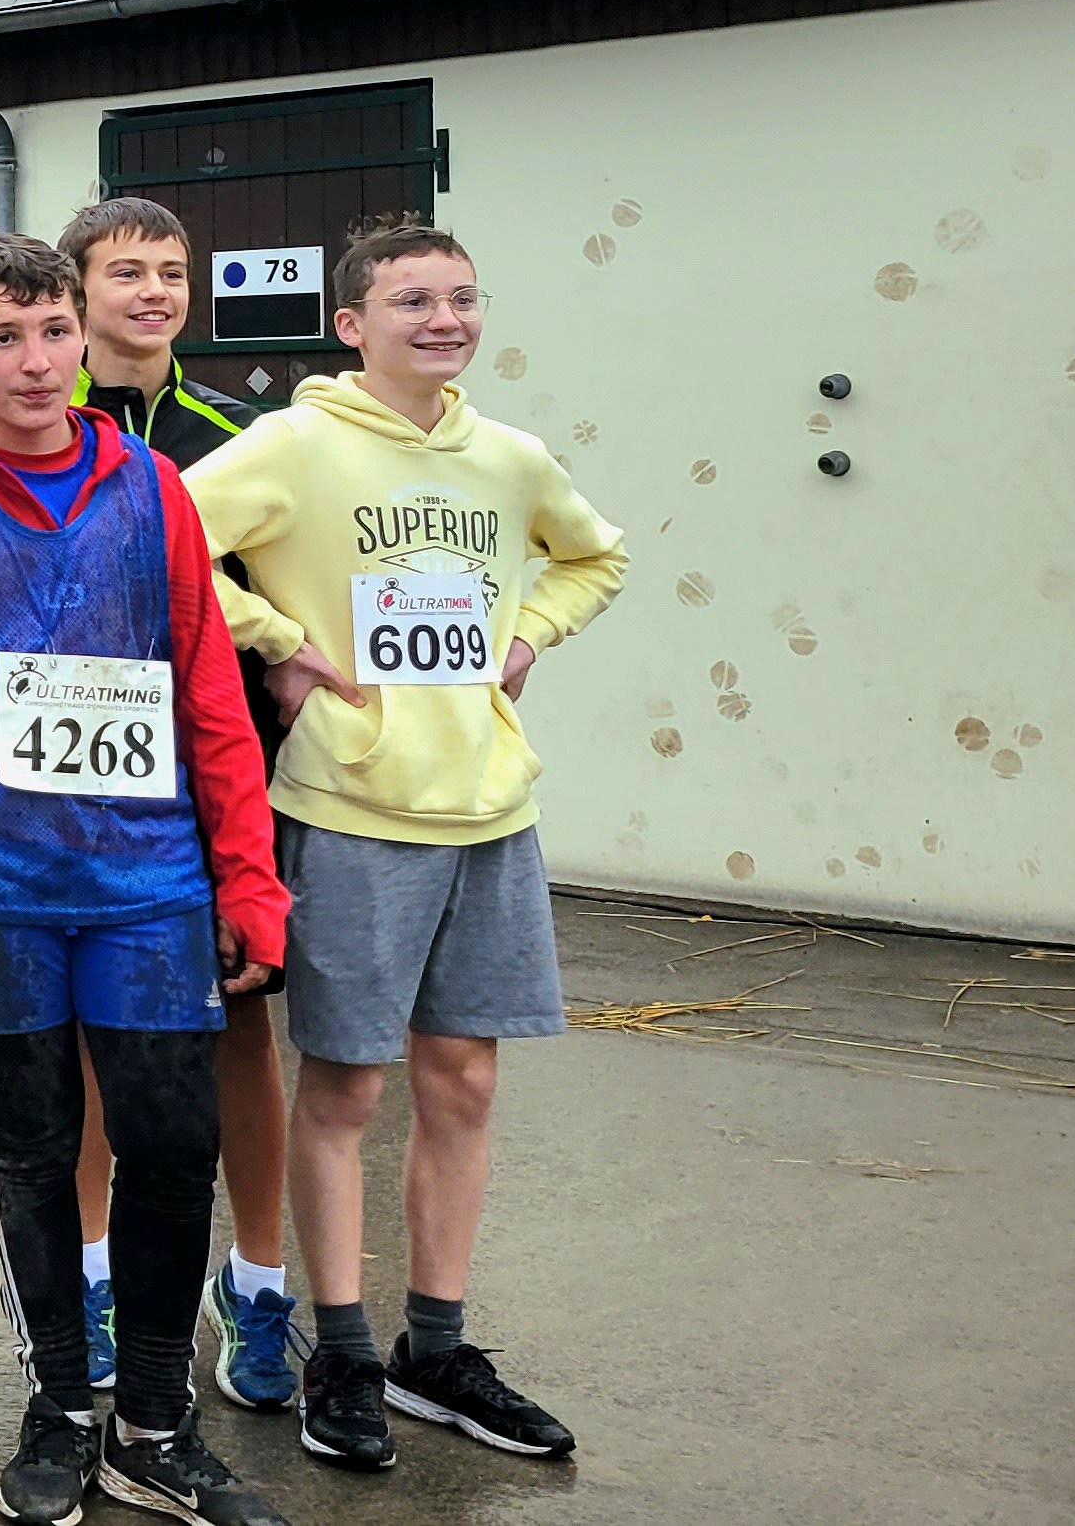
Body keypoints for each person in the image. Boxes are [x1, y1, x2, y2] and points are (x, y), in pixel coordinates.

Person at [0, 233, 291, 1526]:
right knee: (31, 1149)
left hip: (146, 880)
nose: (35, 362)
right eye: (2, 339)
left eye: (52, 332)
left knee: (173, 1139)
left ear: (83, 336)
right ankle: (60, 1408)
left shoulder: (152, 487)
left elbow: (211, 698)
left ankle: (156, 1423)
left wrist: (248, 882)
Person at [184, 218, 626, 1472]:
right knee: (349, 1090)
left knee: (464, 1083)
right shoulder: (296, 446)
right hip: (354, 811)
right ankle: (339, 1345)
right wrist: (275, 639)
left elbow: (599, 557)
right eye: (413, 300)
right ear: (352, 323)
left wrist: (529, 635)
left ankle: (437, 1348)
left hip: (491, 807)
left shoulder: (509, 457)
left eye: (463, 300)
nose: (444, 320)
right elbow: (166, 534)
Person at [54, 196, 296, 1408]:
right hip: (80, 778)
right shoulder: (31, 422)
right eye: (127, 272)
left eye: (173, 271)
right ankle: (93, 1279)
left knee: (241, 1032)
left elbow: (285, 588)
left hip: (219, 771)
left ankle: (257, 1288)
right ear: (75, 290)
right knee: (99, 1041)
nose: (154, 292)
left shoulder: (241, 434)